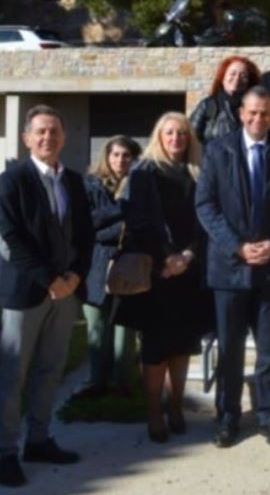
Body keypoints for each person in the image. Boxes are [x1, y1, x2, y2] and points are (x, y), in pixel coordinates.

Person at [196, 87, 270, 449]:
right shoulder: (218, 150)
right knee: (229, 350)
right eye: (253, 112)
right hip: (229, 267)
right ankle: (227, 417)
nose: (259, 119)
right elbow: (206, 205)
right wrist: (238, 246)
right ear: (241, 114)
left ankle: (269, 417)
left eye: (265, 113)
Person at [0, 105, 94, 488]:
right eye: (40, 131)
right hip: (25, 292)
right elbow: (11, 238)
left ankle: (38, 440)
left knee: (51, 368)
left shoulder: (73, 181)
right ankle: (5, 452)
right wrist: (49, 279)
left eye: (54, 131)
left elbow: (85, 235)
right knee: (12, 375)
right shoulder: (12, 180)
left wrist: (75, 276)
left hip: (66, 292)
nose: (47, 137)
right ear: (26, 138)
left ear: (64, 137)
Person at [117, 112, 210, 444]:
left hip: (189, 272)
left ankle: (176, 406)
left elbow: (205, 221)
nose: (176, 139)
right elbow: (138, 222)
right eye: (169, 133)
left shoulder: (198, 172)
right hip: (156, 273)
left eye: (182, 133)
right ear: (159, 137)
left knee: (183, 345)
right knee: (156, 348)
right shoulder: (144, 173)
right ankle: (154, 411)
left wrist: (188, 256)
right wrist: (166, 258)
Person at [79, 135, 142, 399]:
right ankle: (97, 382)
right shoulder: (90, 185)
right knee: (96, 327)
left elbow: (140, 226)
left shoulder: (139, 186)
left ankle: (121, 383)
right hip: (95, 265)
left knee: (124, 328)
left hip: (127, 264)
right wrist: (120, 214)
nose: (120, 160)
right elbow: (86, 225)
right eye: (115, 154)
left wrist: (117, 227)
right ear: (106, 156)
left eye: (126, 155)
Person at [190, 56, 260, 145]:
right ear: (223, 78)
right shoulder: (208, 105)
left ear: (249, 82)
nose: (237, 78)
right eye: (232, 74)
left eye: (243, 76)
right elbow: (190, 137)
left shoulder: (256, 108)